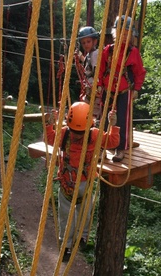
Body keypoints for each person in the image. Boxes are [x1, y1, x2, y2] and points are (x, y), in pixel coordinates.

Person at [45, 102, 120, 262]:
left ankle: (76, 241)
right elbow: (50, 138)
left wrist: (113, 125)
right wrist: (50, 123)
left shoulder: (79, 134)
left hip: (76, 183)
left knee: (77, 214)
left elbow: (112, 142)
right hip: (75, 183)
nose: (78, 135)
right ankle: (74, 242)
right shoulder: (80, 134)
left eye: (80, 132)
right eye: (75, 131)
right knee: (76, 214)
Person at [97, 15, 146, 162]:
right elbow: (100, 68)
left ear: (131, 35)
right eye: (121, 33)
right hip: (108, 90)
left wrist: (136, 89)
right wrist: (99, 84)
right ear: (115, 34)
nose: (123, 36)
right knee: (104, 119)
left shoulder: (133, 52)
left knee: (122, 120)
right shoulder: (108, 50)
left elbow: (139, 72)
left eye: (126, 33)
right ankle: (101, 148)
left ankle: (120, 149)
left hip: (124, 91)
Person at [75, 26, 102, 120]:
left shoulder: (95, 54)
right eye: (83, 43)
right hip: (90, 91)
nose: (86, 45)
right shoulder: (89, 55)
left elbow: (97, 72)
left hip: (95, 91)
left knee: (91, 115)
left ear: (95, 41)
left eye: (88, 41)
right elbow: (89, 67)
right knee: (86, 112)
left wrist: (97, 87)